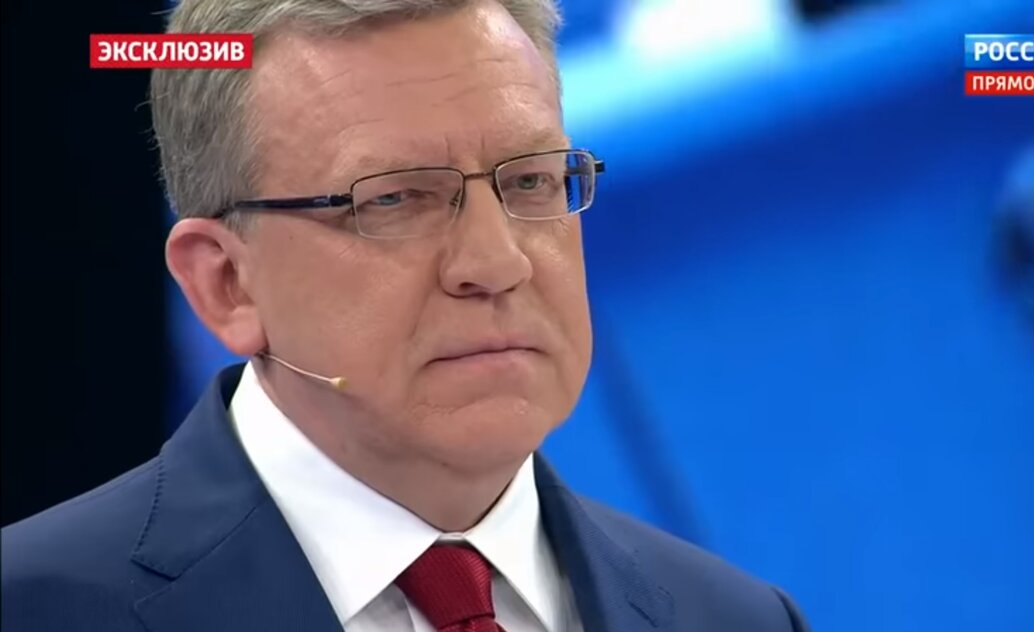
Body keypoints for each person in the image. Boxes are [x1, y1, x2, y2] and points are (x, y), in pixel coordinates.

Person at [1, 1, 810, 630]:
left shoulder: (739, 619)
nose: (496, 263)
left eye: (530, 181)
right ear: (227, 284)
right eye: (393, 200)